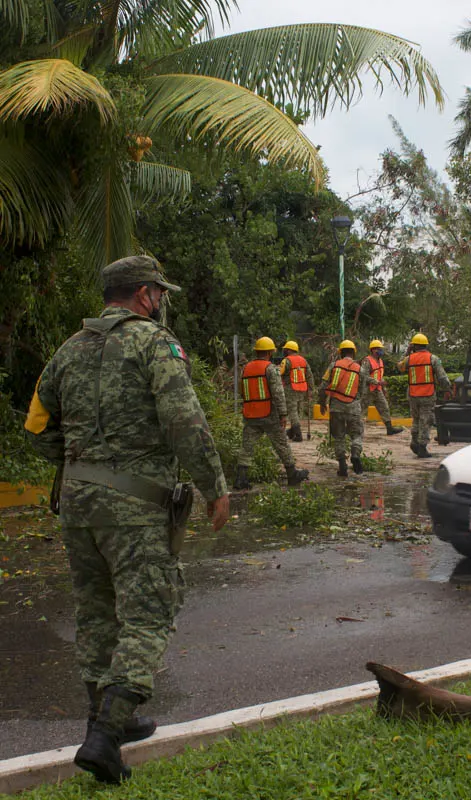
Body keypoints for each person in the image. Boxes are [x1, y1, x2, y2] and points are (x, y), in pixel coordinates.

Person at [23, 255, 230, 784]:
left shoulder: (68, 350)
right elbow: (184, 419)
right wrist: (215, 487)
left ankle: (108, 719)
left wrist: (77, 464)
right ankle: (106, 736)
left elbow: (36, 425)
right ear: (143, 294)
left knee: (96, 615)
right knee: (148, 614)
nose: (160, 302)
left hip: (76, 502)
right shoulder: (153, 343)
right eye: (158, 293)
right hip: (136, 504)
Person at [233, 337, 309, 490]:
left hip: (250, 414)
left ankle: (241, 479)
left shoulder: (246, 368)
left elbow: (243, 391)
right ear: (269, 352)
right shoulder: (270, 369)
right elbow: (278, 393)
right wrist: (283, 414)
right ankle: (292, 474)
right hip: (269, 414)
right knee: (281, 444)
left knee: (247, 446)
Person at [318, 340, 370, 477]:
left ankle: (342, 466)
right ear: (353, 353)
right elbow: (361, 392)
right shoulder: (361, 369)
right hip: (353, 407)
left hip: (336, 408)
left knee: (339, 437)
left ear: (340, 353)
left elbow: (323, 387)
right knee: (357, 434)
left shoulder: (333, 366)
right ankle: (355, 454)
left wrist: (322, 403)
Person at [397, 333, 452, 458]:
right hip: (427, 394)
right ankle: (422, 447)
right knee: (426, 420)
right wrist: (447, 389)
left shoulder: (409, 359)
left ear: (414, 346)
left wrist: (407, 351)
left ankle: (414, 442)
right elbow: (442, 377)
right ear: (426, 345)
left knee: (416, 419)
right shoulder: (433, 358)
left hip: (412, 394)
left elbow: (399, 366)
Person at [362, 339, 403, 436]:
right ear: (373, 350)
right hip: (367, 390)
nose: (381, 351)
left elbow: (380, 375)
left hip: (377, 389)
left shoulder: (380, 361)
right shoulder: (367, 361)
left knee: (384, 407)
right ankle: (353, 430)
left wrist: (383, 388)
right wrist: (377, 382)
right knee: (361, 410)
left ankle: (389, 428)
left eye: (381, 349)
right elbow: (364, 376)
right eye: (378, 349)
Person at [279, 340, 315, 442]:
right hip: (302, 389)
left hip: (290, 389)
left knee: (292, 412)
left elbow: (279, 374)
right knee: (298, 412)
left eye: (285, 349)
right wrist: (310, 390)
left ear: (289, 350)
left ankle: (298, 435)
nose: (284, 351)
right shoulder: (303, 360)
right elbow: (310, 376)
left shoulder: (286, 360)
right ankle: (291, 432)